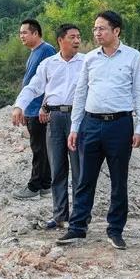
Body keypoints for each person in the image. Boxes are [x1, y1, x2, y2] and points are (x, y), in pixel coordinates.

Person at [57, 11, 140, 250]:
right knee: (85, 178)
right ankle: (77, 227)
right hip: (91, 123)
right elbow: (81, 93)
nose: (97, 33)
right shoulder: (90, 59)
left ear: (116, 31)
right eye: (95, 28)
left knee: (119, 179)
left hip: (120, 124)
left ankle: (115, 229)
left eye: (102, 28)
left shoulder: (132, 57)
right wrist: (75, 126)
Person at [13, 24, 86, 229]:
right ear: (60, 40)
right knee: (57, 169)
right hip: (53, 118)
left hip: (77, 117)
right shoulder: (48, 64)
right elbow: (33, 87)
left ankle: (80, 215)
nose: (77, 41)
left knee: (79, 169)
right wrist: (20, 106)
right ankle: (60, 215)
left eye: (79, 37)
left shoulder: (87, 62)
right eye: (72, 37)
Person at [11, 19, 57, 200]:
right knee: (41, 148)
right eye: (20, 33)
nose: (21, 36)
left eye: (24, 32)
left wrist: (43, 106)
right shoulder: (34, 52)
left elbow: (51, 81)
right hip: (31, 108)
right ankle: (46, 185)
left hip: (40, 109)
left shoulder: (46, 51)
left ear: (36, 33)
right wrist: (23, 106)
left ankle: (34, 186)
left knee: (39, 149)